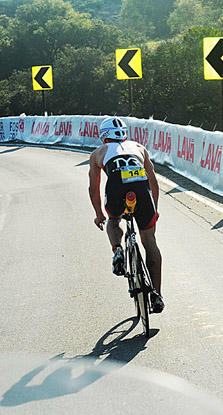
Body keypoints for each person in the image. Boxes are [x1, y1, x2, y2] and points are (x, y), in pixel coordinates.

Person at [88, 117, 164, 313]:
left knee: (114, 220)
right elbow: (153, 181)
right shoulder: (139, 147)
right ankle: (157, 294)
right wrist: (154, 208)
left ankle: (117, 250)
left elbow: (93, 188)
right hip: (142, 188)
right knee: (150, 241)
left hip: (116, 186)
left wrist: (99, 214)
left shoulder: (99, 152)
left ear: (103, 136)